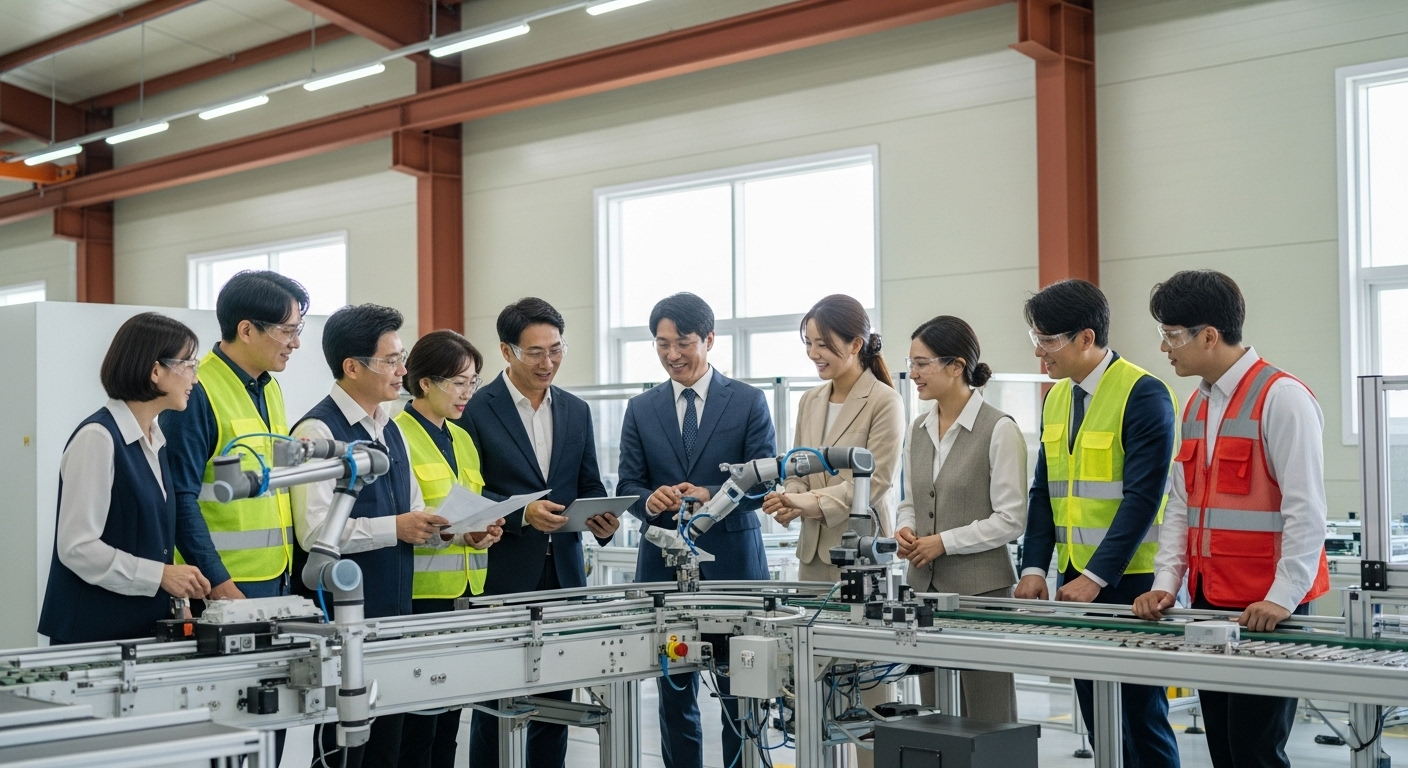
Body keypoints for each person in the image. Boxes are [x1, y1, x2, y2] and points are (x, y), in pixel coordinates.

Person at [1133, 270, 1329, 768]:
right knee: (1222, 745)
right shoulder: (1197, 402)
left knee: (1255, 752)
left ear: (1209, 336)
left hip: (1268, 611)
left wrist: (1282, 597)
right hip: (1209, 602)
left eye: (1171, 336)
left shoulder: (1282, 398)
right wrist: (1167, 582)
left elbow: (1306, 510)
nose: (1164, 348)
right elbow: (1182, 504)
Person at [1014, 279, 1180, 768]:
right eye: (1036, 341)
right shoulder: (1058, 399)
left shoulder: (1144, 393)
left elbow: (1143, 498)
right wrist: (1034, 568)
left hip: (1131, 584)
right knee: (1097, 714)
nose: (1041, 354)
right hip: (1074, 580)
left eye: (1048, 341)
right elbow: (1045, 492)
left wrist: (1096, 576)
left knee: (1139, 715)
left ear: (1086, 338)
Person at [617, 292, 777, 768]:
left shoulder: (747, 401)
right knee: (673, 690)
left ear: (709, 339)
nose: (672, 355)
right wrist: (650, 500)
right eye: (661, 344)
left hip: (734, 571)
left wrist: (711, 493)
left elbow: (764, 481)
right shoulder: (641, 408)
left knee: (741, 692)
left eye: (683, 342)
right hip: (665, 572)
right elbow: (628, 482)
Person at [459, 297, 621, 768]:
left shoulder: (575, 410)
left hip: (565, 575)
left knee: (556, 703)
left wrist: (602, 520)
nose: (547, 362)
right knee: (495, 700)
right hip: (502, 574)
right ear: (508, 351)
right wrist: (520, 516)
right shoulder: (476, 409)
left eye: (556, 349)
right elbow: (467, 494)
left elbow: (589, 484)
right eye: (535, 352)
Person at [291, 304, 452, 768]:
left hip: (393, 618)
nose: (403, 370)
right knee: (345, 751)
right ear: (352, 366)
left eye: (402, 358)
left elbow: (414, 508)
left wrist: (442, 529)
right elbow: (317, 532)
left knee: (389, 748)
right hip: (344, 625)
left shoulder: (390, 429)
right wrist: (396, 527)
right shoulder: (317, 431)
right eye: (392, 360)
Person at [39, 312, 210, 644]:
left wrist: (178, 599)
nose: (195, 378)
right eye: (189, 365)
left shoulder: (155, 441)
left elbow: (153, 542)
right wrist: (160, 576)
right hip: (95, 636)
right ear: (156, 370)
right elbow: (77, 548)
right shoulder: (98, 437)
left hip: (141, 631)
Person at [893, 316, 1027, 724]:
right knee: (935, 715)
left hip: (981, 593)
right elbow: (911, 498)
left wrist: (943, 542)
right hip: (924, 594)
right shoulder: (918, 429)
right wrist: (906, 527)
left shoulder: (999, 429)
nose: (913, 374)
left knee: (988, 714)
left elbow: (1011, 518)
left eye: (922, 363)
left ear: (956, 366)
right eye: (911, 363)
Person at [163, 270, 309, 605]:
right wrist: (217, 580)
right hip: (223, 585)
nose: (295, 343)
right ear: (246, 330)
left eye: (297, 331)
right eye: (288, 331)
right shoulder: (197, 391)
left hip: (276, 576)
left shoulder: (270, 388)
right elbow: (180, 497)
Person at [396, 330, 505, 768]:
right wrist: (456, 532)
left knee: (450, 723)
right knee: (417, 726)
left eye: (473, 382)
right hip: (421, 600)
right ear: (426, 382)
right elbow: (405, 517)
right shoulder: (396, 434)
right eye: (459, 382)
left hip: (465, 596)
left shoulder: (461, 437)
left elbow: (467, 508)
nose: (467, 393)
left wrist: (481, 532)